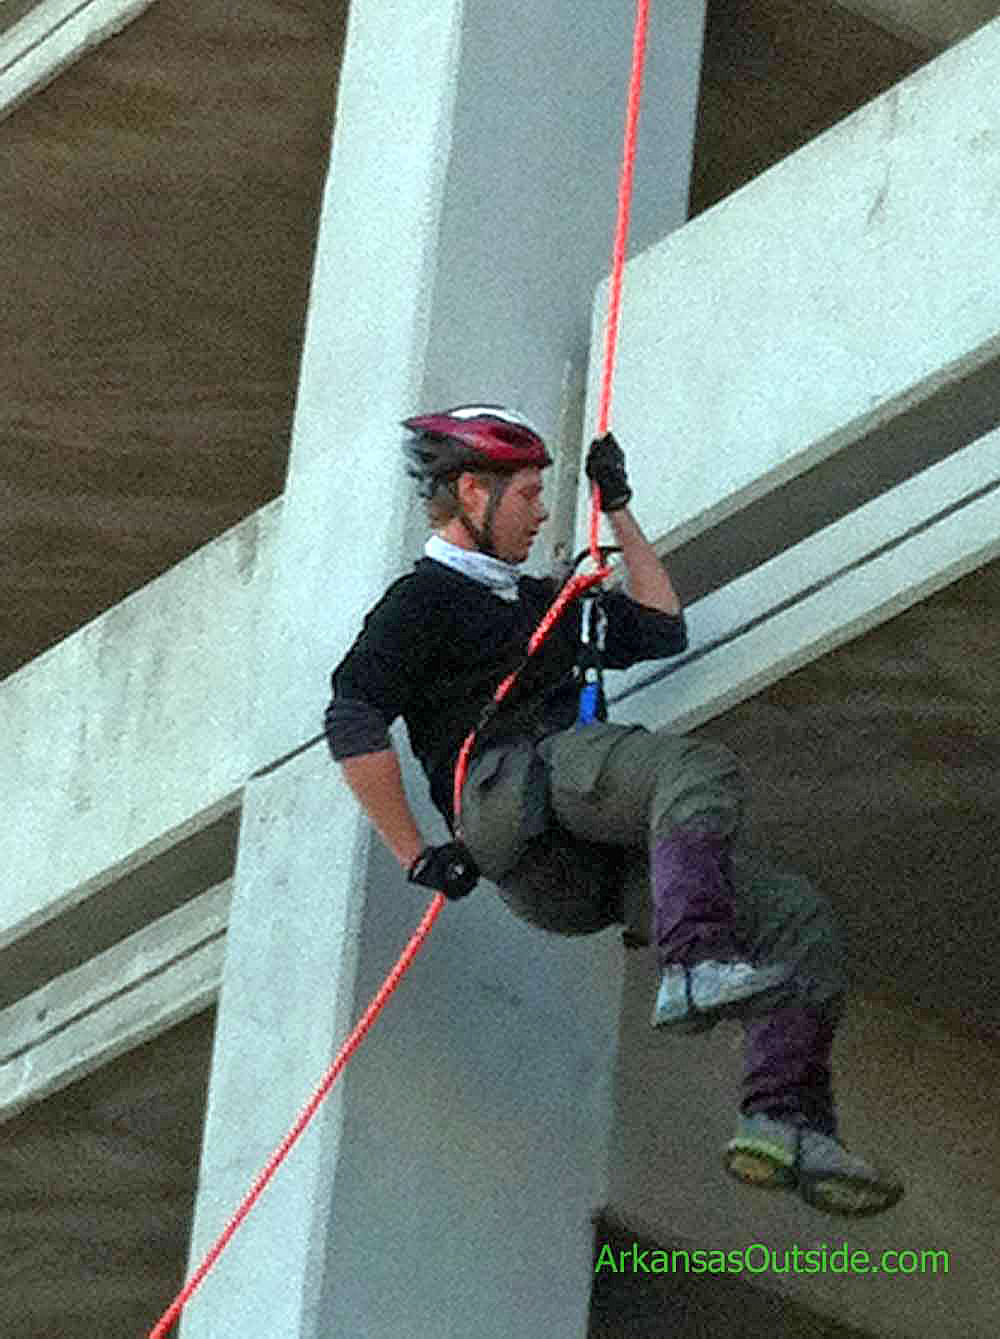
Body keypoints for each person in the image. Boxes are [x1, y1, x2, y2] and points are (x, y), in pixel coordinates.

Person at [324, 404, 903, 1217]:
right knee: (694, 770)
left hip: (560, 876)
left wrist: (620, 506)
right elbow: (352, 713)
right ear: (470, 491)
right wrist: (414, 849)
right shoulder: (422, 601)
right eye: (528, 493)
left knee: (794, 916)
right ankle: (696, 961)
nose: (541, 512)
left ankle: (784, 1119)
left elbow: (663, 627)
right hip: (514, 784)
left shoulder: (541, 606)